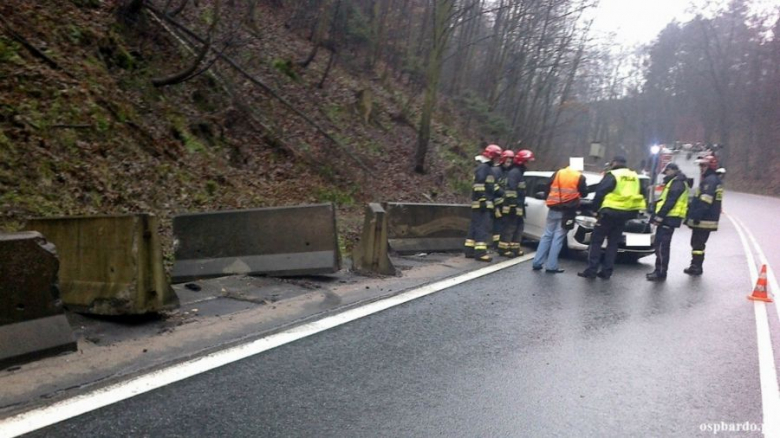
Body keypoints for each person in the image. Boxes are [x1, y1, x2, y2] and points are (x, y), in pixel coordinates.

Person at [578, 156, 646, 279]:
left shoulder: (613, 174)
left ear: (614, 163)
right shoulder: (634, 176)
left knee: (596, 241)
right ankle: (607, 271)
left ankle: (591, 270)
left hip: (608, 213)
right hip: (625, 214)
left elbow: (600, 192)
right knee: (613, 244)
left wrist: (595, 210)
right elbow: (642, 193)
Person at [532, 163, 587, 273]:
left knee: (547, 235)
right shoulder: (579, 177)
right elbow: (584, 193)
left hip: (553, 208)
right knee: (558, 237)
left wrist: (549, 199)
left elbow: (547, 188)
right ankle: (551, 266)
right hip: (568, 211)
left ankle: (537, 262)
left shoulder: (558, 173)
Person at [646, 163, 689, 281]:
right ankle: (659, 270)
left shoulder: (677, 183)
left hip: (669, 218)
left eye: (667, 171)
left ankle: (660, 272)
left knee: (661, 246)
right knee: (661, 245)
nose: (666, 174)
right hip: (669, 218)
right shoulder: (675, 181)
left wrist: (659, 217)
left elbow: (670, 201)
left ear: (673, 170)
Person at [683, 155, 723, 276]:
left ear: (710, 166)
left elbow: (705, 200)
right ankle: (695, 265)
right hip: (708, 219)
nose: (701, 168)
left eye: (703, 165)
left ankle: (696, 267)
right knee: (698, 244)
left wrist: (696, 216)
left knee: (697, 244)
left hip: (704, 220)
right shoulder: (713, 179)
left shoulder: (709, 181)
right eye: (700, 165)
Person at [464, 144, 502, 262]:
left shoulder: (488, 169)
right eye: (496, 157)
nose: (497, 159)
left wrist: (501, 193)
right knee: (482, 228)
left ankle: (469, 251)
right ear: (491, 156)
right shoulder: (484, 168)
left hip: (482, 204)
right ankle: (480, 253)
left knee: (474, 227)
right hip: (483, 204)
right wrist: (483, 200)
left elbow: (490, 186)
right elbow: (479, 185)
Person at [498, 149, 534, 258]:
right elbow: (510, 190)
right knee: (509, 228)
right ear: (522, 161)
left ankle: (514, 248)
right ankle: (503, 249)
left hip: (518, 206)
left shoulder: (520, 172)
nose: (529, 164)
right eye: (527, 161)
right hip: (511, 207)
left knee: (519, 227)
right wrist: (513, 205)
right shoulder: (515, 172)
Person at [491, 150, 513, 249]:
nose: (509, 164)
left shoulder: (507, 172)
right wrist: (502, 193)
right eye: (507, 162)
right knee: (496, 223)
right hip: (495, 202)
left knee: (500, 224)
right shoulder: (495, 171)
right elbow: (492, 185)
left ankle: (497, 242)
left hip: (503, 203)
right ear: (503, 160)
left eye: (510, 162)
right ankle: (494, 243)